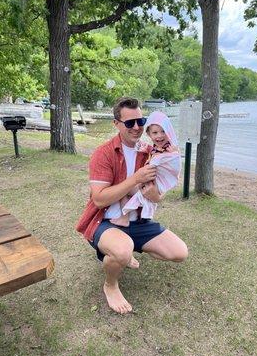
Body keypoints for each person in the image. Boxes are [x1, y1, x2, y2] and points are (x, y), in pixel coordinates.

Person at [76, 97, 188, 315]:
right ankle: (111, 284)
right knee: (122, 250)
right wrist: (135, 179)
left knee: (179, 253)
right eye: (129, 123)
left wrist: (155, 195)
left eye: (140, 121)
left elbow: (157, 196)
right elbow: (98, 199)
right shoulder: (104, 153)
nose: (136, 127)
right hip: (105, 221)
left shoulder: (150, 151)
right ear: (116, 124)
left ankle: (129, 249)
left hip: (137, 221)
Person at [111, 110, 181, 225]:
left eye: (163, 131)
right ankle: (133, 216)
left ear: (169, 131)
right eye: (155, 133)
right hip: (151, 180)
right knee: (127, 189)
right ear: (149, 134)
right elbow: (151, 154)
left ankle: (124, 219)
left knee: (125, 189)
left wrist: (173, 153)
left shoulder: (169, 148)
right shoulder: (154, 147)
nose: (159, 136)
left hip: (155, 181)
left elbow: (171, 162)